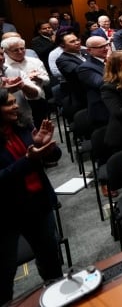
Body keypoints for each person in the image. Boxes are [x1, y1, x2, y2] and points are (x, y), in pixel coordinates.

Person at [0, 90, 62, 305]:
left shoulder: (23, 126)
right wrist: (28, 158)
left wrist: (42, 146)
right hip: (7, 214)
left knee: (50, 259)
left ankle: (58, 296)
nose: (16, 106)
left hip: (38, 202)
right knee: (4, 274)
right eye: (8, 104)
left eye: (14, 102)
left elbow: (51, 155)